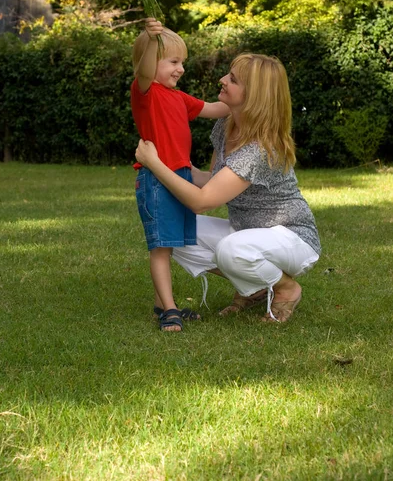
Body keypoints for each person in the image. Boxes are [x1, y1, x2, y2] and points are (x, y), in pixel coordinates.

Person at [135, 53, 321, 324]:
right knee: (173, 232)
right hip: (246, 231)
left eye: (232, 80)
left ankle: (285, 287)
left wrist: (154, 163)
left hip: (291, 237)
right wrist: (167, 165)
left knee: (232, 250)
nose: (222, 80)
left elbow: (202, 201)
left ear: (254, 95)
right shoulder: (226, 124)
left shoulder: (259, 150)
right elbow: (212, 180)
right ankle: (256, 286)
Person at [131, 18, 230, 332]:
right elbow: (145, 70)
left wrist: (246, 99)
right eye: (173, 62)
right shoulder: (146, 92)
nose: (181, 69)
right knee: (160, 247)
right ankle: (169, 310)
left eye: (182, 62)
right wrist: (150, 38)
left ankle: (163, 302)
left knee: (170, 244)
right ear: (152, 62)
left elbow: (215, 108)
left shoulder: (179, 97)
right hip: (158, 180)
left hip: (180, 176)